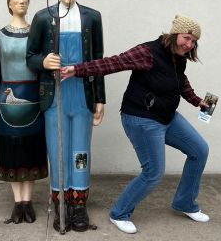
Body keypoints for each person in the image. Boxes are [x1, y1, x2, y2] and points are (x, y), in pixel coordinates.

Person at [61, 14, 210, 234]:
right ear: (174, 34)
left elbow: (181, 83)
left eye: (194, 41)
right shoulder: (147, 52)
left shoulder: (178, 57)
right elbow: (112, 63)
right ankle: (119, 213)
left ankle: (185, 202)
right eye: (186, 38)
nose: (189, 44)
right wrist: (77, 69)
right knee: (153, 172)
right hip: (141, 119)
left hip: (167, 117)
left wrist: (197, 101)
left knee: (199, 150)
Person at [26, 0, 105, 232]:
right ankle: (60, 204)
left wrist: (100, 99)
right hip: (54, 96)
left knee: (80, 151)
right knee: (57, 150)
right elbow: (31, 57)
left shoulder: (92, 18)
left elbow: (99, 62)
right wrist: (44, 61)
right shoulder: (41, 18)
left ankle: (79, 205)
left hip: (82, 94)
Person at [0, 0, 48, 225]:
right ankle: (18, 202)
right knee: (12, 149)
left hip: (34, 96)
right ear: (9, 2)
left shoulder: (38, 35)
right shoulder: (0, 37)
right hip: (7, 97)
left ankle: (28, 201)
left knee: (31, 147)